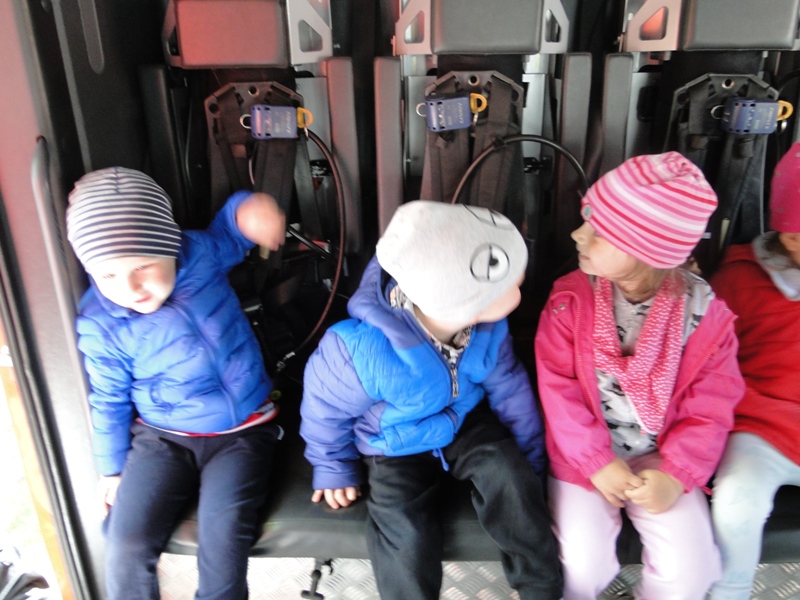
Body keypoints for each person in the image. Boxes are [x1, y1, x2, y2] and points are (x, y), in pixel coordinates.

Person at [300, 200, 563, 600]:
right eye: (509, 281)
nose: (521, 279)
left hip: (464, 420)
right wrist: (332, 466)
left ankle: (541, 589)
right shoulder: (361, 349)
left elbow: (510, 388)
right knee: (403, 528)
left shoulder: (487, 328)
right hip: (393, 442)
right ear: (465, 304)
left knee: (509, 474)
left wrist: (532, 461)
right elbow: (324, 410)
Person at [66, 167, 286, 600]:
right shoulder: (99, 321)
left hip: (242, 431)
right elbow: (108, 400)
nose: (130, 287)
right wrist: (111, 468)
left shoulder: (198, 255)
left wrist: (248, 210)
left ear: (170, 247)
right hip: (163, 436)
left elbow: (229, 232)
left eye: (143, 267)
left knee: (223, 539)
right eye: (108, 276)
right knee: (125, 541)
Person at [535, 152, 745, 599]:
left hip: (663, 459)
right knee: (581, 564)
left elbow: (711, 408)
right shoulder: (569, 301)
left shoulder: (706, 320)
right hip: (583, 459)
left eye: (597, 231)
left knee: (692, 570)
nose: (577, 234)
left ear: (646, 252)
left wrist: (677, 474)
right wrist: (596, 461)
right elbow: (558, 391)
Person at [708, 142, 800, 600]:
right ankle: (730, 591)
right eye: (796, 238)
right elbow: (707, 362)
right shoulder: (739, 278)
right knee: (736, 504)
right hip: (762, 429)